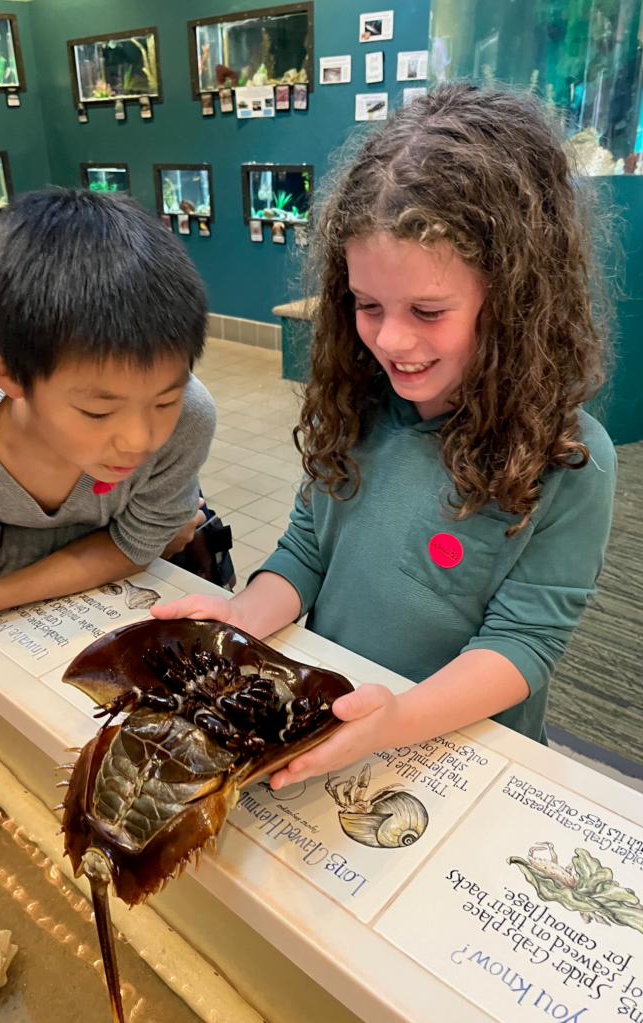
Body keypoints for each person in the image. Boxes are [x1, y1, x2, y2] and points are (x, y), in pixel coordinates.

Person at [153, 84, 617, 790]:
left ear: (519, 300)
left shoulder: (572, 460)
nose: (392, 341)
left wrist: (394, 719)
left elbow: (523, 645)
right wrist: (243, 617)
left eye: (428, 311)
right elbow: (308, 548)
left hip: (462, 751)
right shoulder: (358, 402)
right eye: (367, 306)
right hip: (339, 716)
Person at [0, 188, 215, 623]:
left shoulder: (189, 416)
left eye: (165, 400)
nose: (141, 441)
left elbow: (145, 546)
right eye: (98, 412)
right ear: (5, 372)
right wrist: (130, 539)